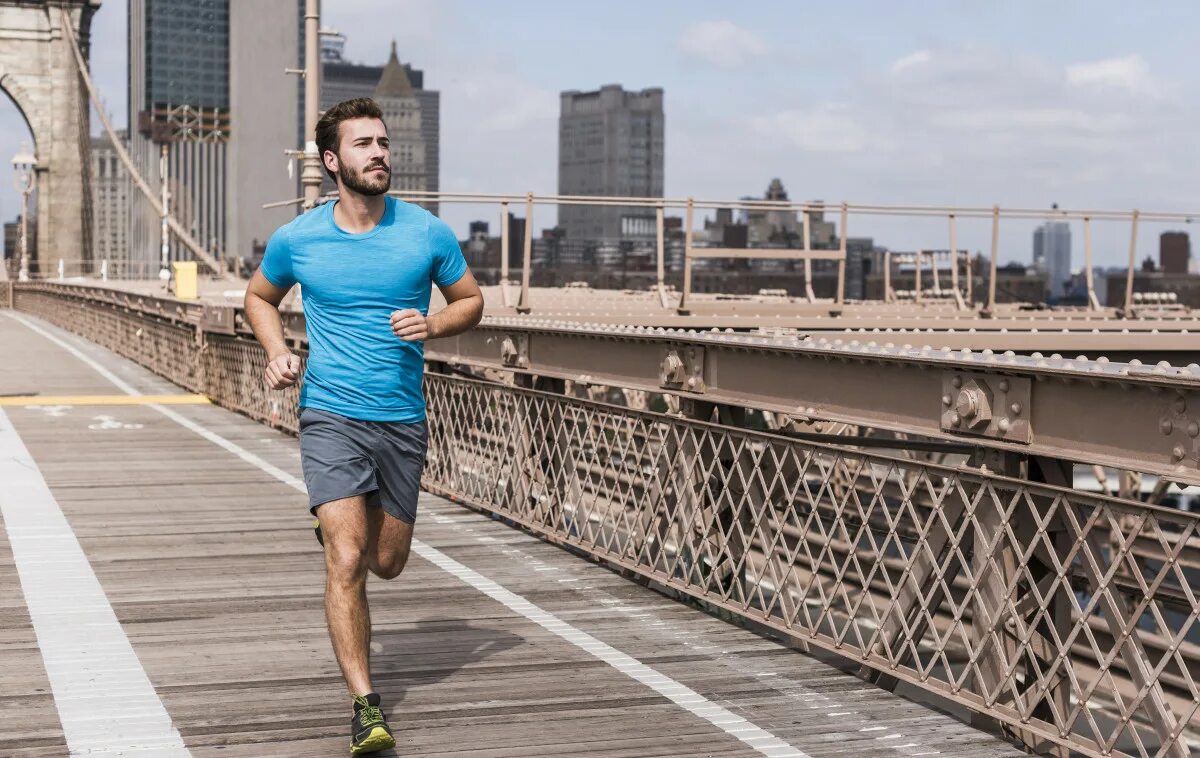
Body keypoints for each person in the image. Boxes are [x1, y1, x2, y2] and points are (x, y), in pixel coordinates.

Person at [244, 97, 483, 754]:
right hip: (329, 412)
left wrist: (434, 323)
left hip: (402, 417)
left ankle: (339, 514)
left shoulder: (426, 233)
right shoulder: (300, 238)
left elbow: (472, 302)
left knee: (387, 561)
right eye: (363, 144)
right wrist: (276, 351)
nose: (380, 152)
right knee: (346, 557)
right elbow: (258, 296)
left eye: (382, 142)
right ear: (331, 161)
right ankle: (366, 707)